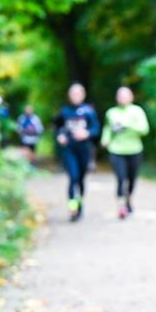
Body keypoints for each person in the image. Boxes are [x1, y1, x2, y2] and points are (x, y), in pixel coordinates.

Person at [101, 86, 150, 220]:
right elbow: (107, 128)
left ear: (131, 97)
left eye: (125, 95)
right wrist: (105, 139)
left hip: (134, 150)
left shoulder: (137, 111)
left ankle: (129, 200)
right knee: (121, 179)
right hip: (116, 150)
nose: (122, 98)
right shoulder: (111, 112)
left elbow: (144, 130)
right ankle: (121, 206)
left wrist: (128, 125)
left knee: (132, 180)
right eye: (120, 96)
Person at [54, 83, 100, 222]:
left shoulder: (88, 111)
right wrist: (60, 136)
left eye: (78, 93)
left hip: (84, 149)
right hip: (69, 149)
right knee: (73, 177)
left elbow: (96, 129)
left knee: (80, 179)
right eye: (73, 94)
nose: (75, 96)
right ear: (69, 95)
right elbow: (57, 126)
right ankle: (72, 208)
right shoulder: (64, 112)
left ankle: (79, 204)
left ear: (83, 95)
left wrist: (87, 133)